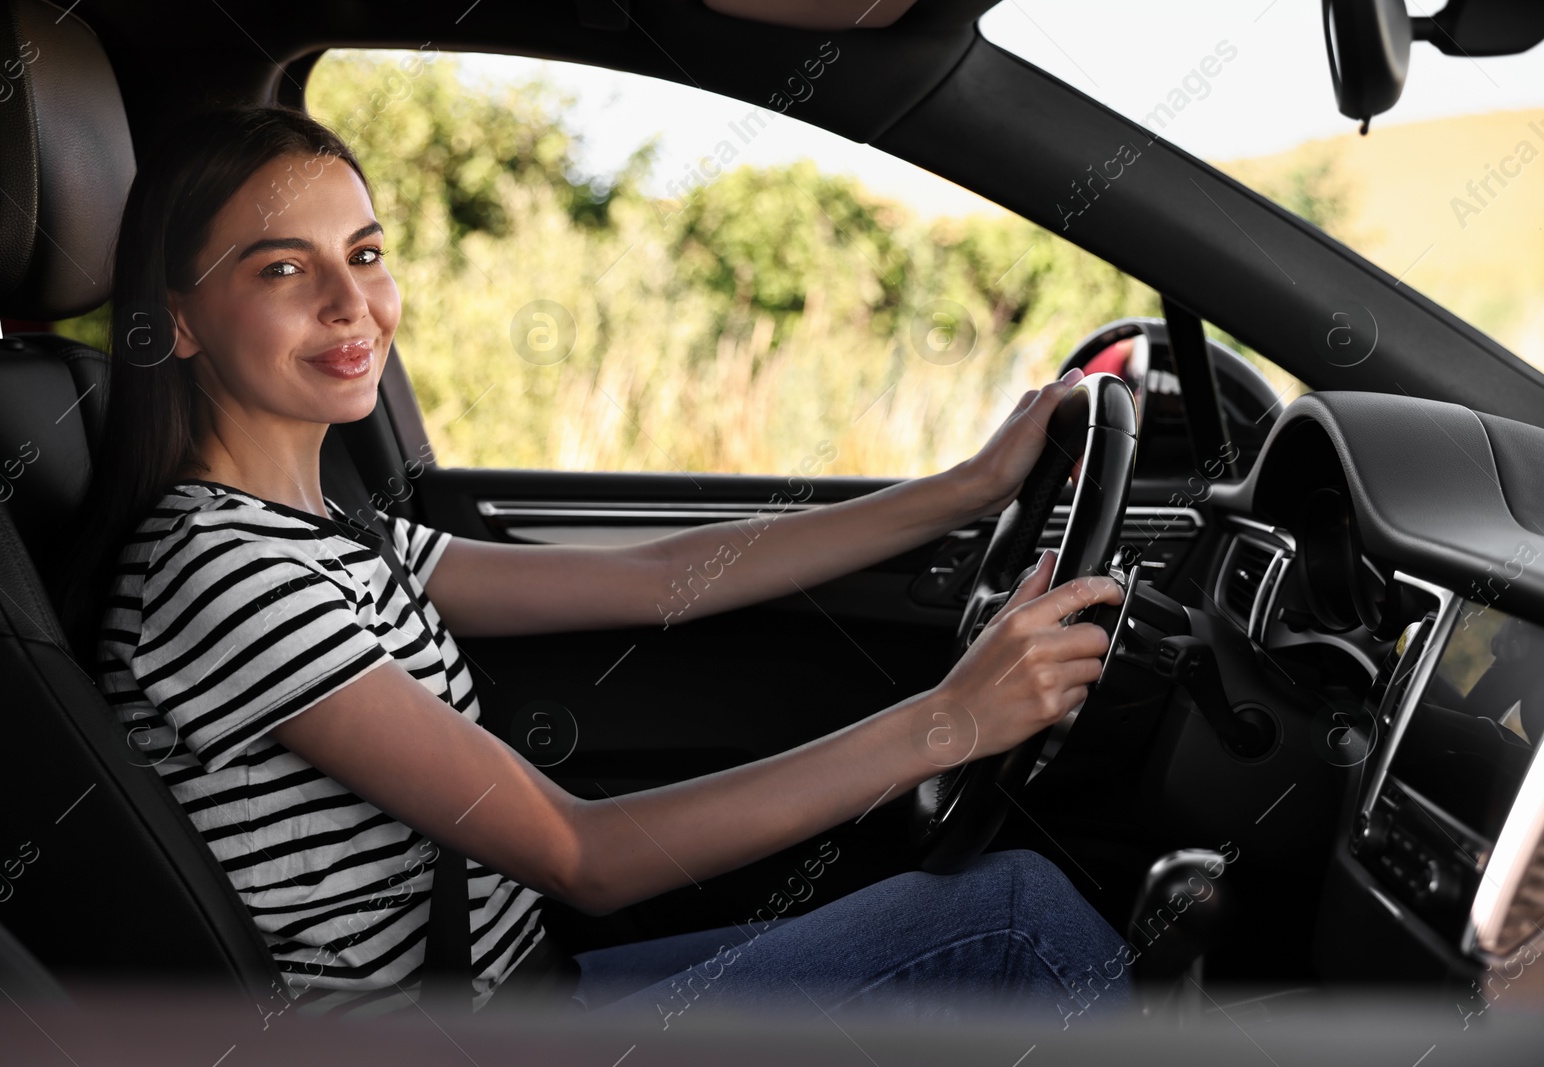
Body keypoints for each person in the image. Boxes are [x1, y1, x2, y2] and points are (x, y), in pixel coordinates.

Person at [56, 104, 1128, 1031]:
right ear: (182, 319)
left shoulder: (336, 530)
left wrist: (962, 489)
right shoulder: (223, 570)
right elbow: (581, 853)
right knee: (1015, 923)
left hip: (528, 991)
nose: (350, 301)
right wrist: (951, 720)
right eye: (284, 267)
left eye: (367, 253)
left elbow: (663, 579)